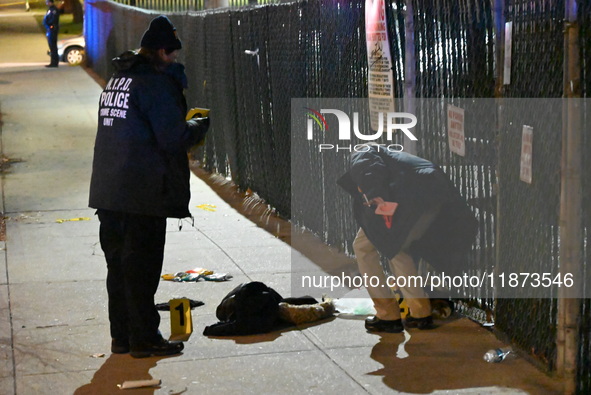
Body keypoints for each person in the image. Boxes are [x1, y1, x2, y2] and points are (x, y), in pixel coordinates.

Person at [89, 15, 210, 358]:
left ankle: (122, 337)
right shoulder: (154, 84)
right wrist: (197, 127)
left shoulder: (119, 79)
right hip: (141, 192)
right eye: (171, 53)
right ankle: (145, 339)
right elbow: (172, 137)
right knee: (141, 269)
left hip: (109, 191)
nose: (174, 60)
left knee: (118, 269)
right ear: (160, 51)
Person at [337, 145, 477, 333]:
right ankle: (419, 314)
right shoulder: (391, 158)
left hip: (407, 201)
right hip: (427, 198)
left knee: (365, 247)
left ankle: (388, 315)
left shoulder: (360, 152)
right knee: (397, 249)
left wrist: (377, 198)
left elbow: (368, 169)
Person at [43, 0, 60, 68]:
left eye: (47, 2)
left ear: (51, 2)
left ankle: (54, 62)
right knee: (51, 46)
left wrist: (49, 25)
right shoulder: (50, 10)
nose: (46, 3)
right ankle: (53, 61)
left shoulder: (54, 10)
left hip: (52, 29)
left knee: (53, 46)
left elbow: (53, 19)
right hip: (50, 29)